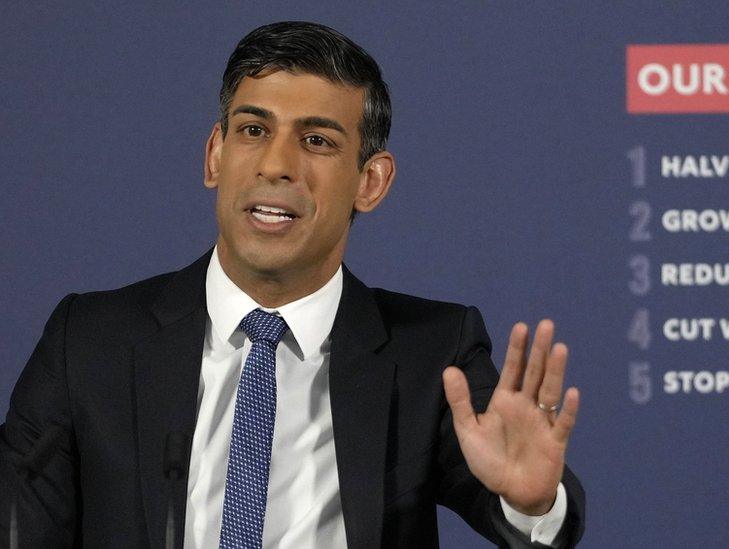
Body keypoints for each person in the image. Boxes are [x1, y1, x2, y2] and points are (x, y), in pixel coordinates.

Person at [0, 21, 584, 548]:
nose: (276, 165)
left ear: (371, 182)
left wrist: (529, 502)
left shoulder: (432, 351)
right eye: (254, 129)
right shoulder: (89, 341)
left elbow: (518, 497)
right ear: (215, 156)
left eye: (317, 140)